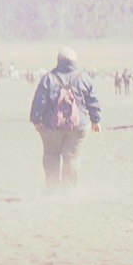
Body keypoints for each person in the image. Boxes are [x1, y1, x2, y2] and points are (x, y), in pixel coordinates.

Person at [29, 47, 101, 190]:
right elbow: (92, 100)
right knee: (72, 157)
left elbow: (39, 101)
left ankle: (52, 189)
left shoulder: (48, 78)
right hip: (78, 126)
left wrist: (36, 121)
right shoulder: (83, 77)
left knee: (51, 156)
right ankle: (68, 191)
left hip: (51, 126)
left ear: (58, 61)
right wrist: (95, 120)